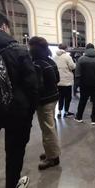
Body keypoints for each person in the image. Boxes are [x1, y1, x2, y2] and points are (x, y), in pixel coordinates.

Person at [0, 10, 38, 188]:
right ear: (4, 26)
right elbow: (32, 87)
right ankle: (12, 184)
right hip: (16, 111)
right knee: (14, 152)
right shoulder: (16, 49)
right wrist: (29, 115)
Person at [29, 37, 61, 171]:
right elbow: (57, 79)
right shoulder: (50, 61)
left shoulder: (37, 64)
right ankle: (50, 152)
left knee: (47, 129)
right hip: (53, 98)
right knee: (50, 127)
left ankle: (52, 158)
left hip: (44, 101)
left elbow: (36, 86)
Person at [74, 43, 95, 125]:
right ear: (94, 49)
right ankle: (93, 120)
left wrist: (77, 84)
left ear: (86, 49)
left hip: (84, 84)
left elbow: (77, 74)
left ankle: (79, 117)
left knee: (82, 101)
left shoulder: (81, 59)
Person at [53, 44, 76, 118]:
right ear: (66, 48)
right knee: (67, 97)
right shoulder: (67, 56)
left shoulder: (54, 57)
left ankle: (59, 112)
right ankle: (66, 112)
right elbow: (72, 66)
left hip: (58, 81)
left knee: (60, 97)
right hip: (67, 81)